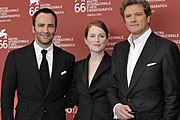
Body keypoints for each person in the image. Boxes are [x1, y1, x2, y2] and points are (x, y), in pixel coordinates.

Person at [107, 0, 180, 120]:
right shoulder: (119, 49)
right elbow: (112, 86)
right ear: (124, 20)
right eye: (128, 16)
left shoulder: (166, 48)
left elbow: (173, 95)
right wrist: (116, 106)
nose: (133, 19)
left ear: (148, 18)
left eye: (138, 14)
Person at [1, 8, 76, 120]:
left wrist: (57, 105)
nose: (45, 30)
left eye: (50, 26)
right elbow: (6, 96)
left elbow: (73, 92)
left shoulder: (67, 59)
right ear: (33, 28)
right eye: (41, 25)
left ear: (55, 28)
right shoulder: (16, 57)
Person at [72, 20, 113, 120]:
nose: (97, 40)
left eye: (101, 36)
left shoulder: (115, 65)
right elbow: (72, 97)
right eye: (92, 36)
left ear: (107, 39)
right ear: (86, 40)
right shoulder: (77, 67)